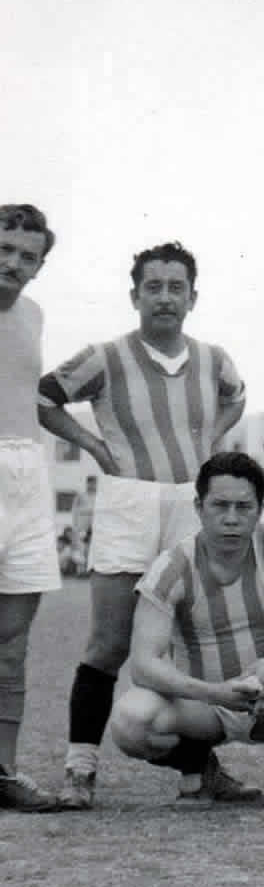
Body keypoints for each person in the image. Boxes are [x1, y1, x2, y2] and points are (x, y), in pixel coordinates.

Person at [36, 242, 250, 810]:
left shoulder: (213, 359)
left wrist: (211, 440)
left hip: (189, 501)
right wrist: (91, 445)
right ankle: (79, 769)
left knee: (188, 644)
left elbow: (237, 396)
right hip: (129, 500)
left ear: (192, 297)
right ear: (135, 295)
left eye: (175, 287)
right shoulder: (105, 356)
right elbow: (44, 398)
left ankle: (197, 772)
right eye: (152, 287)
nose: (164, 297)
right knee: (109, 642)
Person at [105, 452, 264, 821]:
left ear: (260, 508)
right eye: (220, 505)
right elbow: (144, 664)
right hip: (205, 706)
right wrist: (213, 692)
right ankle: (200, 765)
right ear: (199, 507)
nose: (231, 518)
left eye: (243, 507)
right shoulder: (173, 565)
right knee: (130, 721)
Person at [0, 204, 61, 809]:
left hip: (25, 474)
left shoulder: (34, 314)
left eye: (26, 257)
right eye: (5, 248)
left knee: (12, 641)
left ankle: (3, 771)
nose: (12, 264)